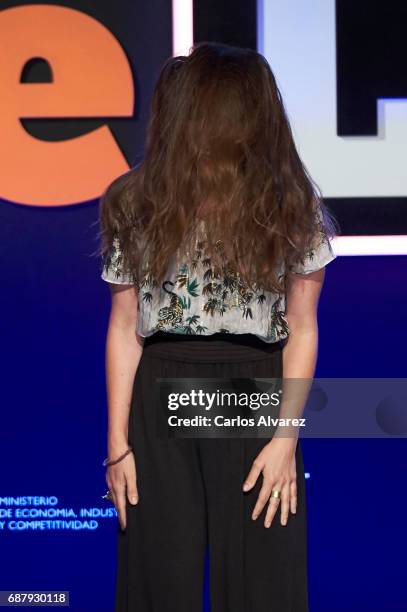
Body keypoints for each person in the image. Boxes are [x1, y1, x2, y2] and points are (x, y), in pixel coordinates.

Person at [99, 41, 337, 612]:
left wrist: (286, 438)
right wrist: (116, 445)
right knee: (158, 582)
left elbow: (302, 328)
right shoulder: (137, 200)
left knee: (264, 586)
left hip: (254, 393)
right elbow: (125, 327)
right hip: (159, 397)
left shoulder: (288, 203)